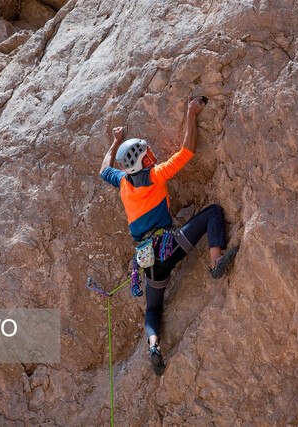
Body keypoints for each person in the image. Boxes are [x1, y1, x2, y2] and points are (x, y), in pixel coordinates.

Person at [99, 96, 238, 375]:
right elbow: (187, 151)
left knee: (153, 310)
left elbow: (104, 170)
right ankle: (215, 262)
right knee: (212, 212)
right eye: (148, 154)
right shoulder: (156, 175)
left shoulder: (124, 183)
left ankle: (154, 346)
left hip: (147, 261)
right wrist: (191, 113)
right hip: (169, 246)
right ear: (144, 160)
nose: (153, 155)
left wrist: (115, 143)